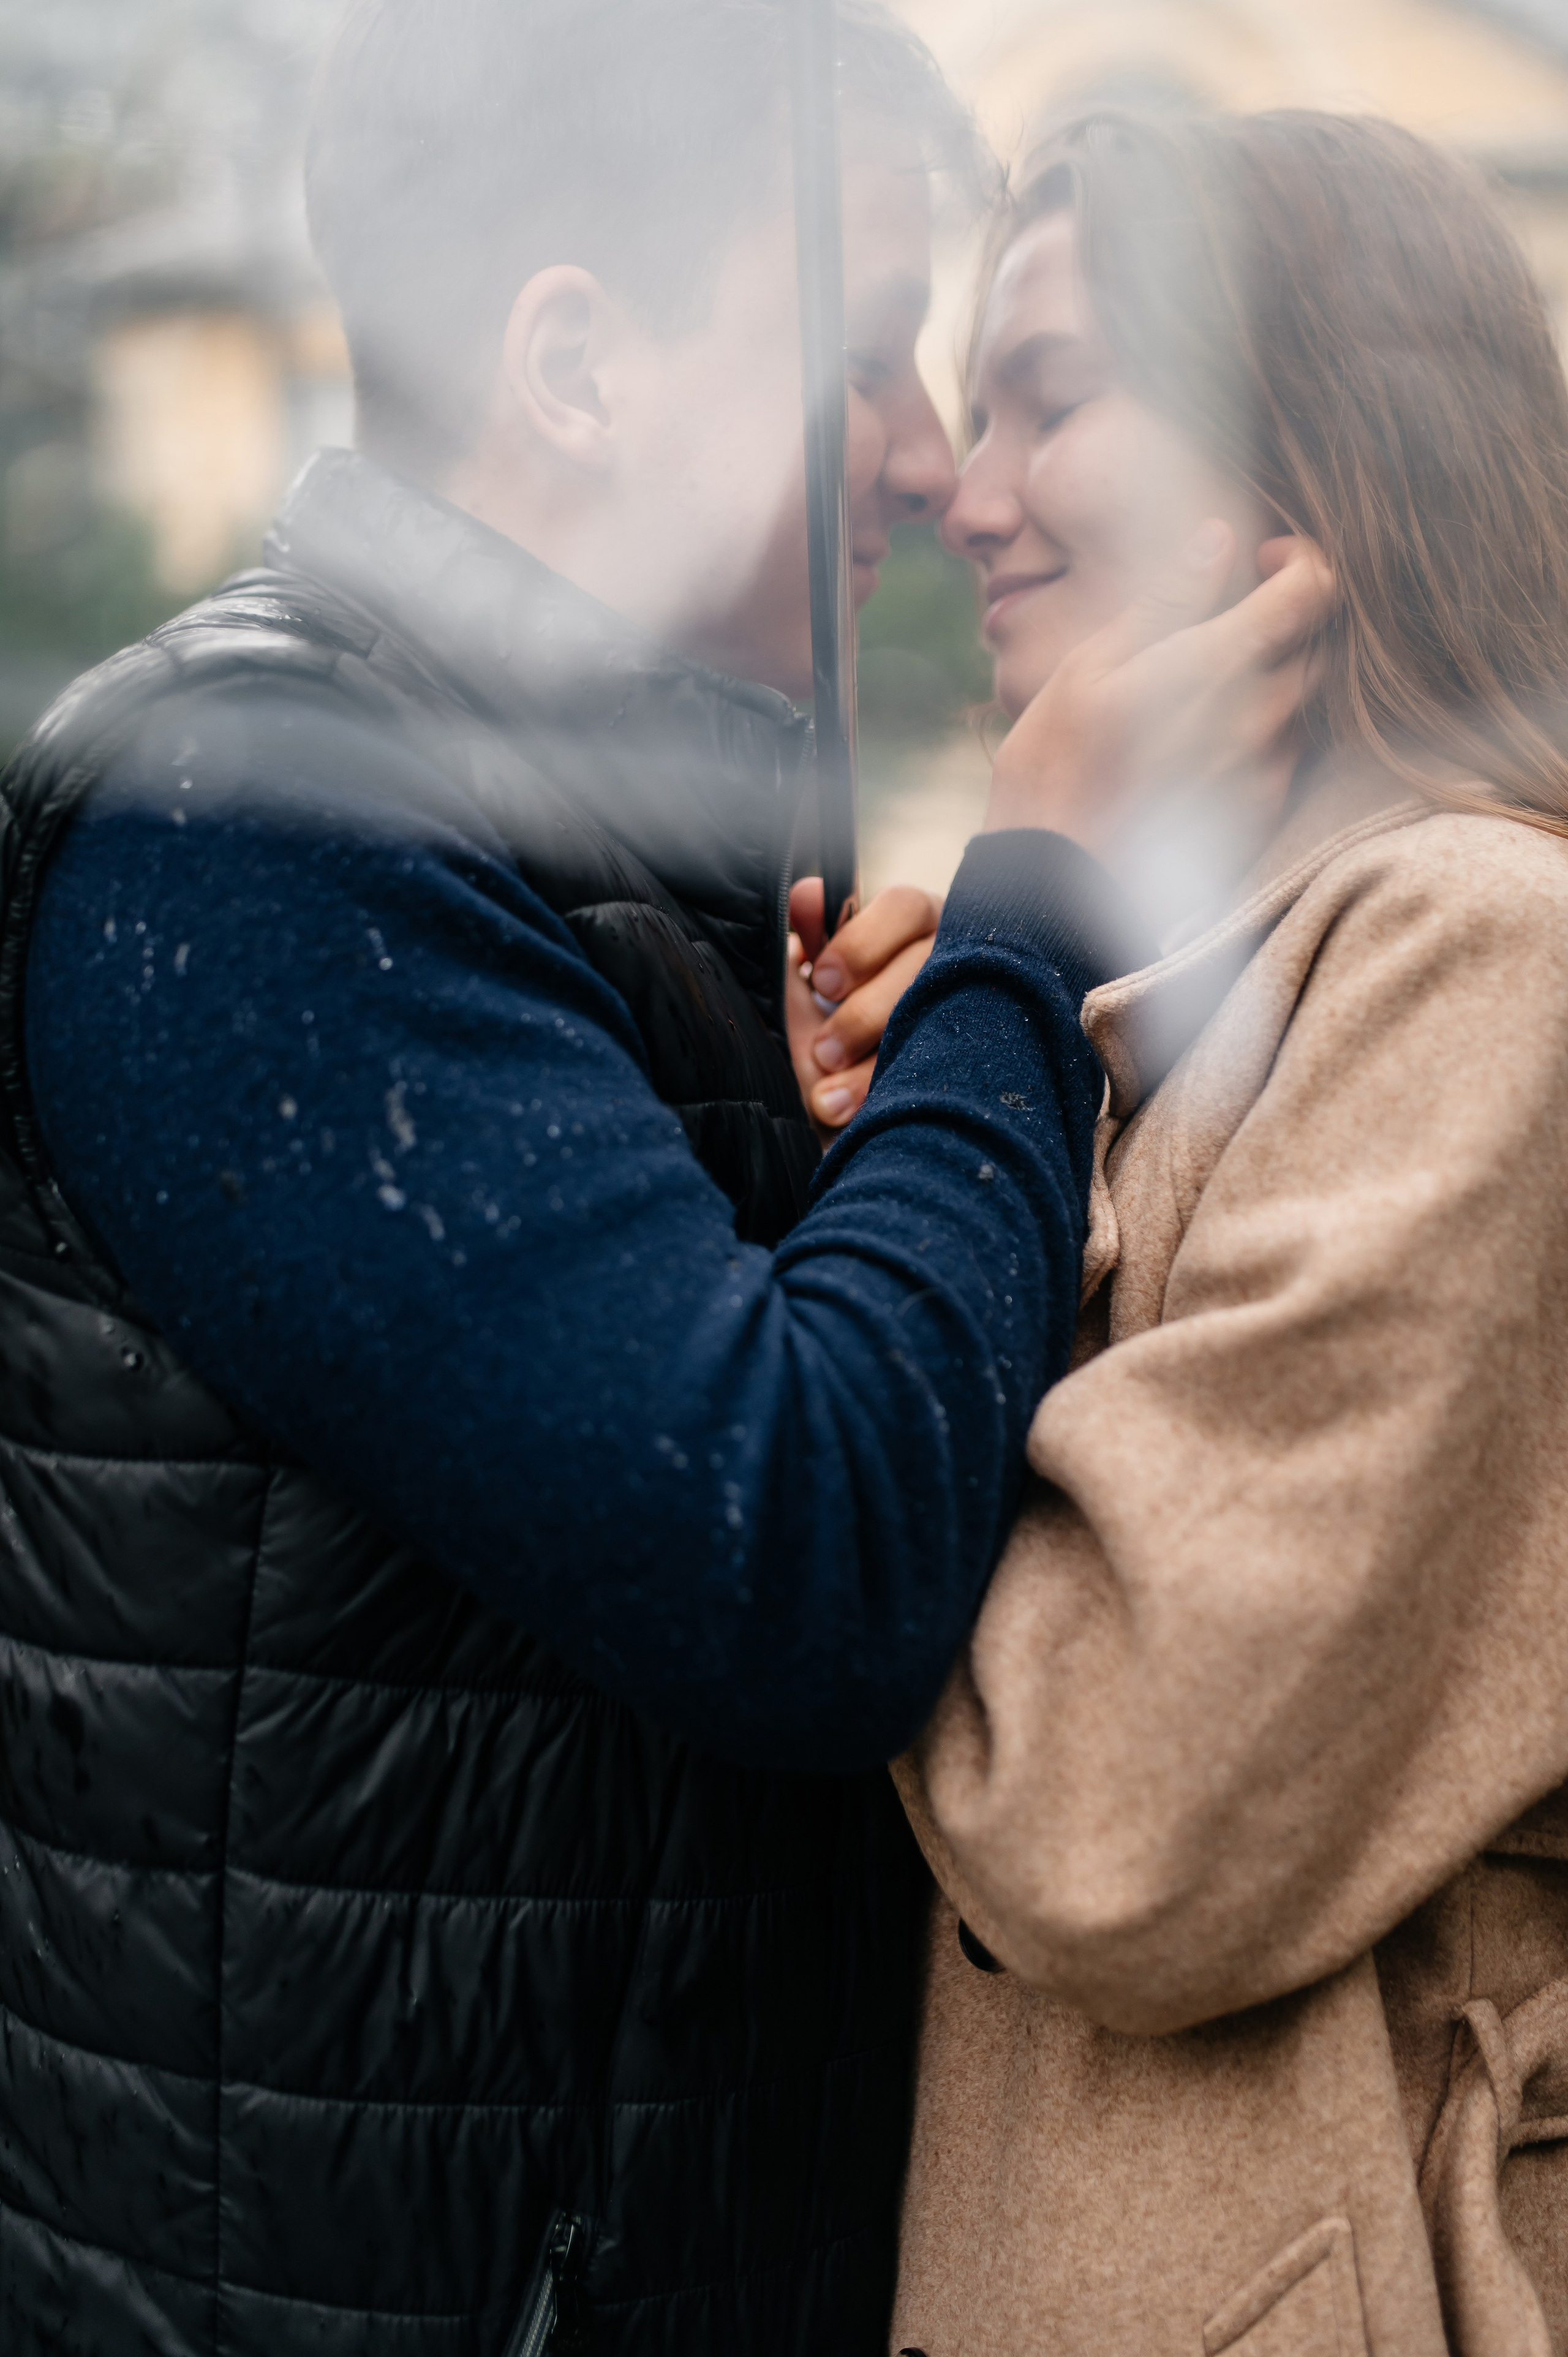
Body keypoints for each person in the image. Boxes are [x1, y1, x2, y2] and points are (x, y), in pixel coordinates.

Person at [0, 10, 1325, 2352]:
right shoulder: (259, 823)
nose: (932, 465)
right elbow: (797, 1562)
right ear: (580, 366)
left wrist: (883, 1112)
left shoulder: (594, 849)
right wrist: (1035, 910)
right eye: (868, 356)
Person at [889, 107, 1568, 2357]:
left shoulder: (1479, 957)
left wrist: (888, 1239)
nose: (968, 492)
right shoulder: (1203, 998)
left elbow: (1109, 1807)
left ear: (1310, 473)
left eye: (1054, 396)